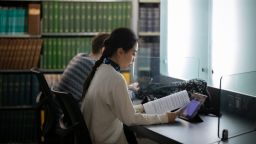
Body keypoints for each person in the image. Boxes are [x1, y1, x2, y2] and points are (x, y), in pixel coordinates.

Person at [81, 28, 178, 144]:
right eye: (133, 53)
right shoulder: (115, 78)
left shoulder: (101, 69)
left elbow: (119, 109)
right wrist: (166, 117)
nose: (134, 59)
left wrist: (142, 108)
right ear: (120, 52)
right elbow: (130, 119)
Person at [54, 33, 110, 104]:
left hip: (61, 108)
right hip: (71, 112)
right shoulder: (95, 67)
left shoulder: (80, 57)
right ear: (104, 50)